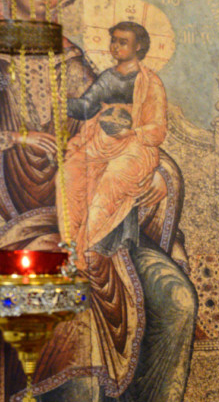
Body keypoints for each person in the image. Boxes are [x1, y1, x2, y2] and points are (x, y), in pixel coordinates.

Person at [0, 0, 198, 402]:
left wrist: (156, 180)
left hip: (107, 223)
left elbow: (121, 134)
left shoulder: (76, 63)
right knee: (72, 310)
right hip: (26, 226)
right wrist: (14, 143)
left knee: (176, 299)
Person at [62, 21, 166, 264]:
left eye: (123, 42)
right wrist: (60, 103)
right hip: (100, 141)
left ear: (138, 46)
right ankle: (69, 240)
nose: (116, 47)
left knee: (112, 179)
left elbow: (158, 129)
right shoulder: (108, 77)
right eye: (114, 41)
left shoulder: (150, 82)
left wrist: (132, 132)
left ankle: (84, 246)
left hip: (135, 146)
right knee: (69, 172)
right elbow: (87, 106)